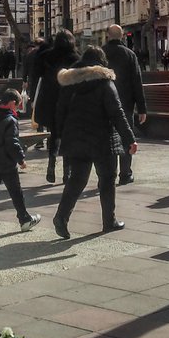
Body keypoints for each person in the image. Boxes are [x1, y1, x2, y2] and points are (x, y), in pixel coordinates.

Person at [52, 46, 138, 238]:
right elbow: (117, 113)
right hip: (102, 138)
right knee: (107, 179)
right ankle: (109, 221)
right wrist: (129, 138)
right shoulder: (105, 83)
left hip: (75, 137)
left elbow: (60, 110)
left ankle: (61, 217)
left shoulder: (70, 83)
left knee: (77, 180)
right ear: (101, 61)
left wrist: (59, 134)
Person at [0, 88, 41, 237]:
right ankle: (24, 219)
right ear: (12, 103)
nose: (17, 107)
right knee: (15, 192)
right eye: (17, 104)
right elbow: (12, 142)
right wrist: (21, 159)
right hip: (5, 162)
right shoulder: (10, 120)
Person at [33, 31, 80, 183]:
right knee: (68, 135)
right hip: (69, 101)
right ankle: (67, 172)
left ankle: (51, 165)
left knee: (54, 134)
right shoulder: (76, 58)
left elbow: (37, 74)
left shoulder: (46, 56)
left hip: (49, 101)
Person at [104, 24, 147, 184]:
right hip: (125, 103)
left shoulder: (101, 53)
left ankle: (110, 173)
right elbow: (137, 81)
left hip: (104, 103)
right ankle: (125, 173)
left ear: (108, 35)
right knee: (126, 136)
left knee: (108, 137)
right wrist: (142, 108)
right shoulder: (129, 54)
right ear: (122, 36)